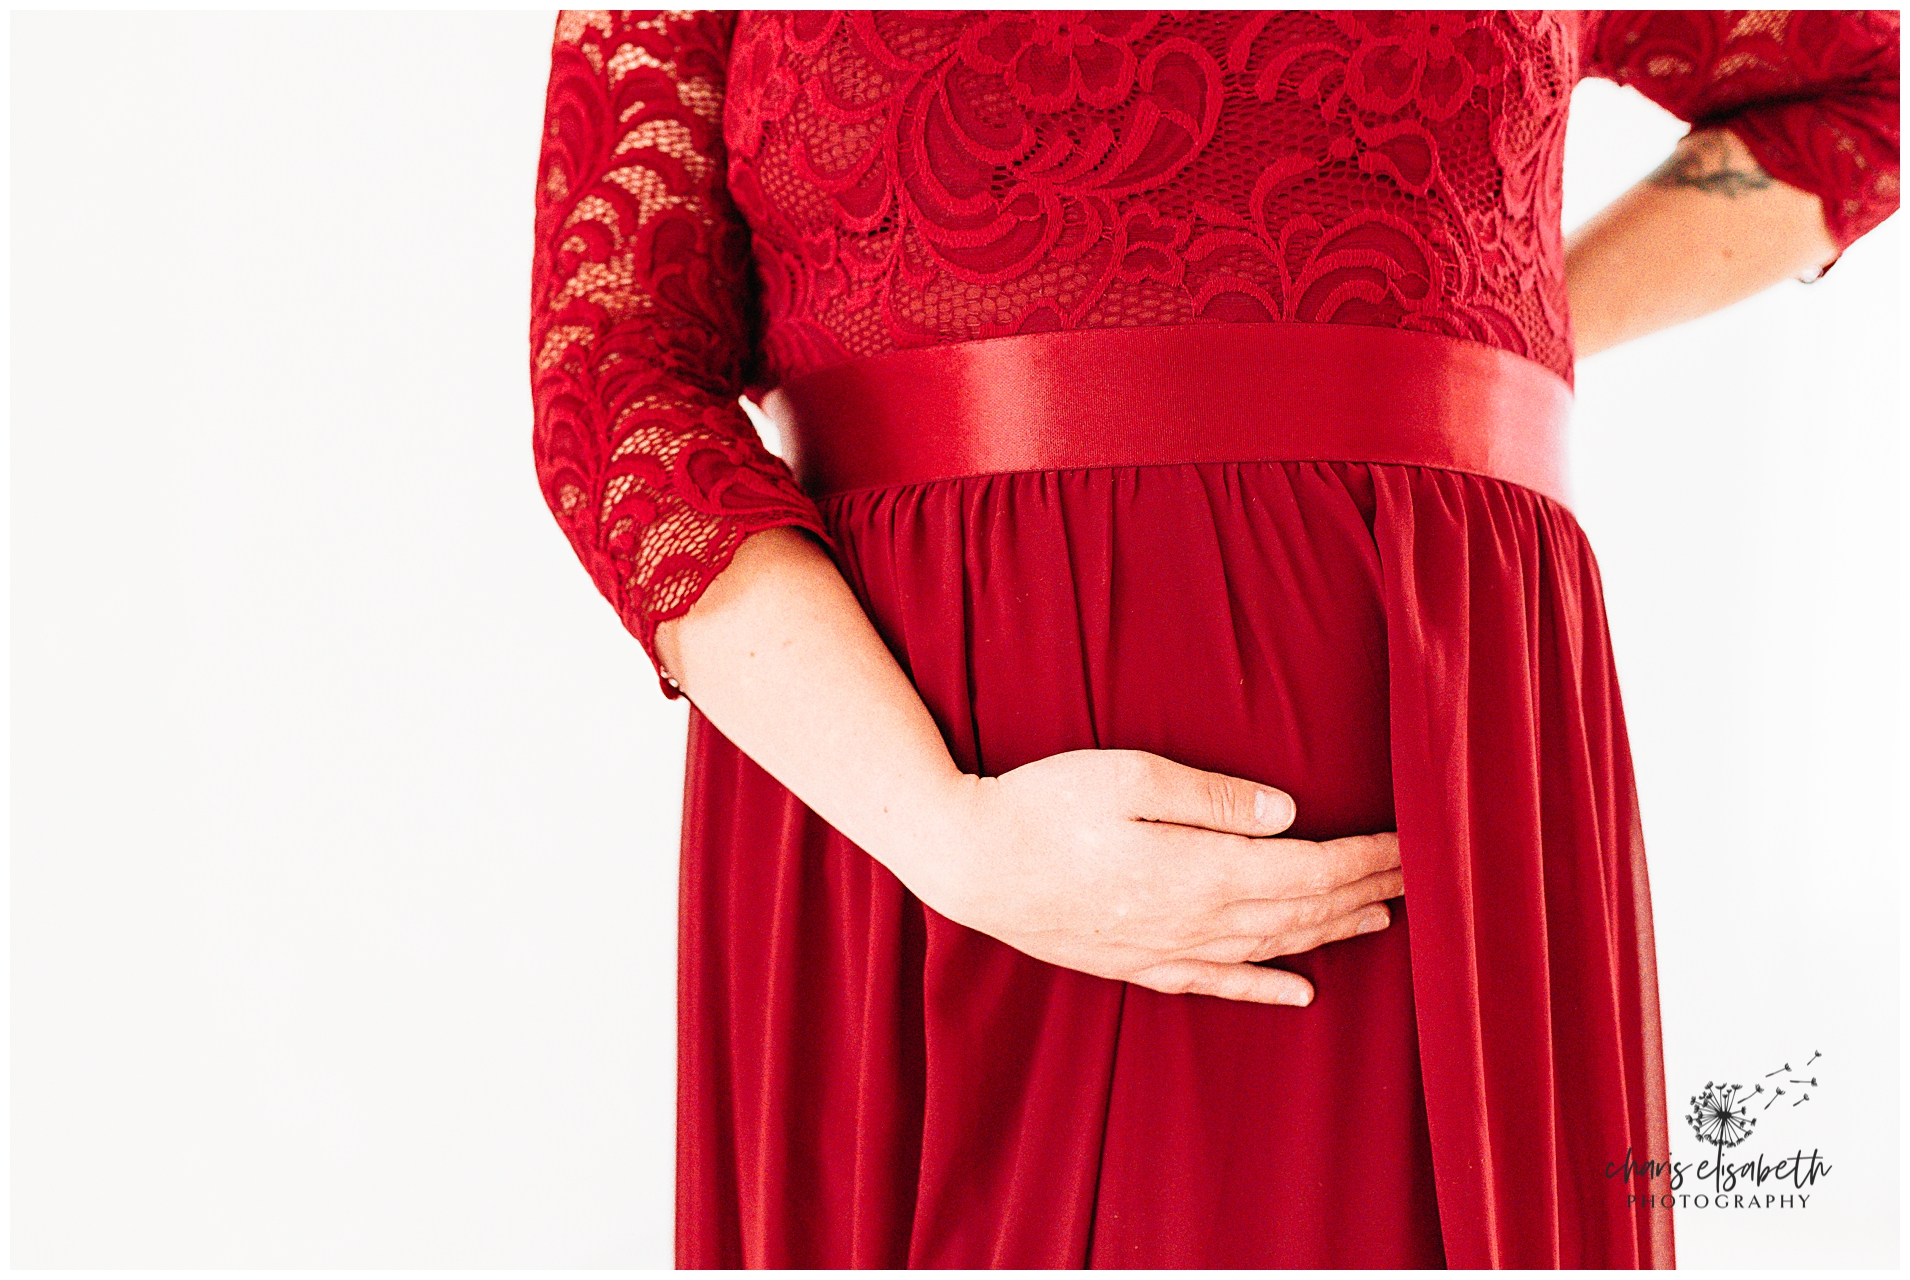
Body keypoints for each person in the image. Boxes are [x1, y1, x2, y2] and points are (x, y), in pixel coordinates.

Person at [529, 10, 1899, 1269]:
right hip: (918, 830)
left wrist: (1496, 335)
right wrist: (950, 836)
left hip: (1432, 815)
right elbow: (610, 375)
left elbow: (1863, 82)